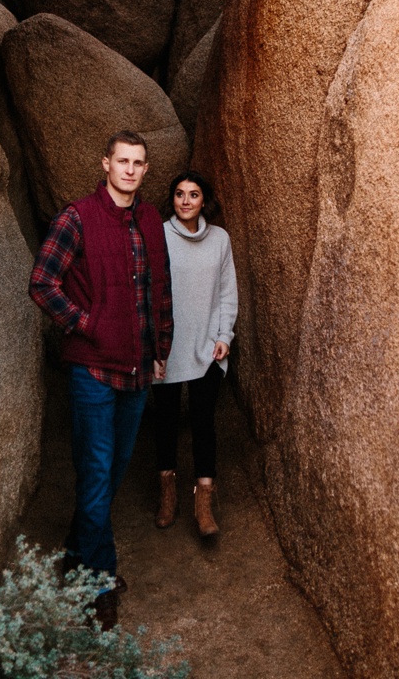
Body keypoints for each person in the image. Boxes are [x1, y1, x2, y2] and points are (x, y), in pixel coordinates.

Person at [28, 130, 173, 629]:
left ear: (145, 170)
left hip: (137, 370)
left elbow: (161, 290)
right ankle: (100, 581)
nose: (130, 170)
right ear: (105, 164)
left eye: (138, 163)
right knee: (95, 474)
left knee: (112, 472)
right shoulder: (77, 217)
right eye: (122, 161)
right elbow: (42, 282)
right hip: (93, 370)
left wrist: (162, 349)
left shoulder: (151, 219)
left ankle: (76, 553)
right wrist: (86, 324)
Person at [151, 170, 237, 538]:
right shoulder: (158, 235)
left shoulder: (220, 239)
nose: (186, 201)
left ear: (205, 201)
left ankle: (204, 504)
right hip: (166, 349)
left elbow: (226, 292)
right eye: (180, 194)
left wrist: (225, 335)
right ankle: (167, 494)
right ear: (172, 199)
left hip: (207, 346)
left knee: (203, 422)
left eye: (194, 194)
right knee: (165, 423)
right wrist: (153, 344)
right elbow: (149, 292)